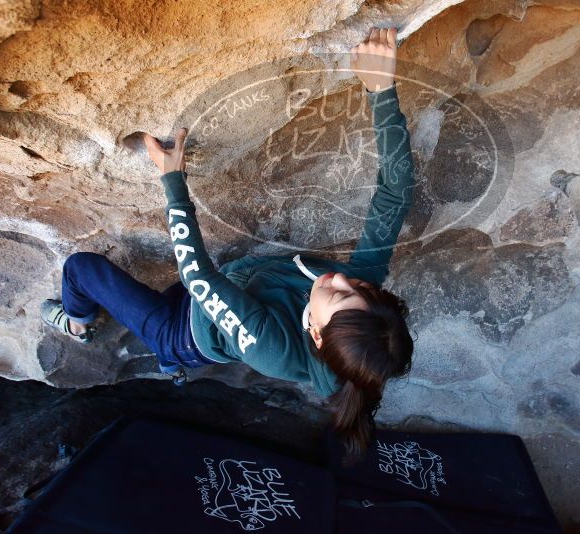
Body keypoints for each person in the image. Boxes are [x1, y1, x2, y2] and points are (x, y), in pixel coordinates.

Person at [41, 27, 415, 466]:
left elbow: (199, 278)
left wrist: (173, 182)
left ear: (314, 332)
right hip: (231, 291)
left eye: (336, 295)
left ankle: (79, 323)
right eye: (359, 291)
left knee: (82, 269)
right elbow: (394, 192)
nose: (339, 278)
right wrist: (380, 90)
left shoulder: (274, 350)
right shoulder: (357, 297)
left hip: (182, 331)